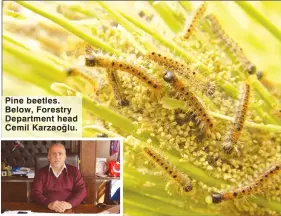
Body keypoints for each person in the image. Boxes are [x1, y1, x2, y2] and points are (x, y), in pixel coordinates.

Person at [31, 143, 86, 213]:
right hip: (46, 209)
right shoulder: (41, 173)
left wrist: (69, 204)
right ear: (48, 157)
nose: (57, 157)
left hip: (69, 210)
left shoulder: (74, 171)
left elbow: (81, 191)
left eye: (60, 154)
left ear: (65, 157)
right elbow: (35, 192)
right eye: (54, 154)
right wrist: (49, 204)